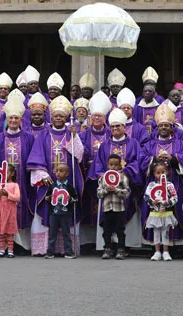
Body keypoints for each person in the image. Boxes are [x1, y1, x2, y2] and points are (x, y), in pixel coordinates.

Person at [26, 96, 84, 256]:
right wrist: (42, 175)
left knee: (66, 216)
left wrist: (74, 136)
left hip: (68, 181)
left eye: (61, 116)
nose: (58, 118)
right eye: (55, 116)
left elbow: (79, 155)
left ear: (65, 118)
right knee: (48, 213)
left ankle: (66, 248)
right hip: (49, 183)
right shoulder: (44, 135)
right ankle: (46, 248)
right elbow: (36, 157)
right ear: (50, 117)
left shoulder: (70, 133)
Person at [139, 103, 183, 244]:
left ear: (171, 127)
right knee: (155, 212)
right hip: (154, 185)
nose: (163, 128)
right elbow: (142, 161)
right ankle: (156, 244)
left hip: (175, 184)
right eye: (161, 125)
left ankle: (175, 244)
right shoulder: (150, 145)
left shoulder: (181, 143)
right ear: (157, 127)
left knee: (176, 211)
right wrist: (154, 159)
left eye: (166, 125)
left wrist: (174, 159)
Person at [93, 108, 143, 252]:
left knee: (122, 218)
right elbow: (98, 164)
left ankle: (125, 245)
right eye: (113, 126)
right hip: (108, 192)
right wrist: (103, 175)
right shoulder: (105, 145)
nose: (115, 129)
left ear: (124, 127)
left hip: (124, 187)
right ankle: (109, 245)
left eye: (118, 126)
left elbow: (137, 162)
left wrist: (125, 172)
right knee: (108, 219)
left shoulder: (133, 143)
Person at [0, 96, 34, 253]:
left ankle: (20, 245)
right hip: (2, 184)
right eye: (11, 118)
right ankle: (3, 246)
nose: (13, 120)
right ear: (6, 119)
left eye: (16, 118)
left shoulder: (28, 137)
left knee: (22, 209)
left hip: (22, 182)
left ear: (21, 119)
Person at [80, 91, 111, 243]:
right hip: (88, 178)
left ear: (105, 117)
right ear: (90, 117)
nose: (97, 118)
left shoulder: (112, 134)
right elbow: (78, 153)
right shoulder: (83, 135)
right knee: (88, 207)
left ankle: (104, 241)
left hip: (107, 177)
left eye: (100, 115)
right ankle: (88, 241)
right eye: (94, 116)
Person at [97, 154, 130, 260]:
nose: (113, 167)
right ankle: (107, 248)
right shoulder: (103, 178)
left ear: (120, 165)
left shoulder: (123, 178)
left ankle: (120, 249)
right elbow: (99, 193)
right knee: (107, 230)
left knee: (120, 230)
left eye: (116, 165)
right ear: (107, 165)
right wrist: (106, 190)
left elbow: (127, 193)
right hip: (107, 209)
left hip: (119, 209)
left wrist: (116, 190)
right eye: (111, 164)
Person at [44, 163, 78, 259]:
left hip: (65, 214)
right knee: (52, 233)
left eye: (61, 171)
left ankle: (68, 251)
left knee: (66, 233)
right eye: (57, 171)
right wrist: (48, 198)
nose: (58, 173)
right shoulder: (53, 186)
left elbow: (76, 199)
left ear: (67, 173)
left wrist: (70, 198)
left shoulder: (69, 187)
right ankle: (50, 251)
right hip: (54, 213)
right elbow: (47, 197)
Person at [144, 162, 178, 261]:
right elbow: (146, 197)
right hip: (155, 213)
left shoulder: (169, 185)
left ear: (167, 172)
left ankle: (166, 252)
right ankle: (157, 252)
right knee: (156, 232)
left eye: (163, 172)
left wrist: (168, 203)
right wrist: (152, 202)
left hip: (166, 213)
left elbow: (175, 197)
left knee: (165, 232)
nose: (160, 174)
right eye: (158, 172)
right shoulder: (151, 185)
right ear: (154, 174)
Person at [0, 163, 21, 258]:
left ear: (12, 173)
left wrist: (7, 194)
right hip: (0, 210)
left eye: (7, 172)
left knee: (9, 230)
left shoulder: (15, 185)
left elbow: (17, 197)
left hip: (10, 210)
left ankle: (10, 250)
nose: (4, 174)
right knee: (1, 230)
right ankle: (1, 249)